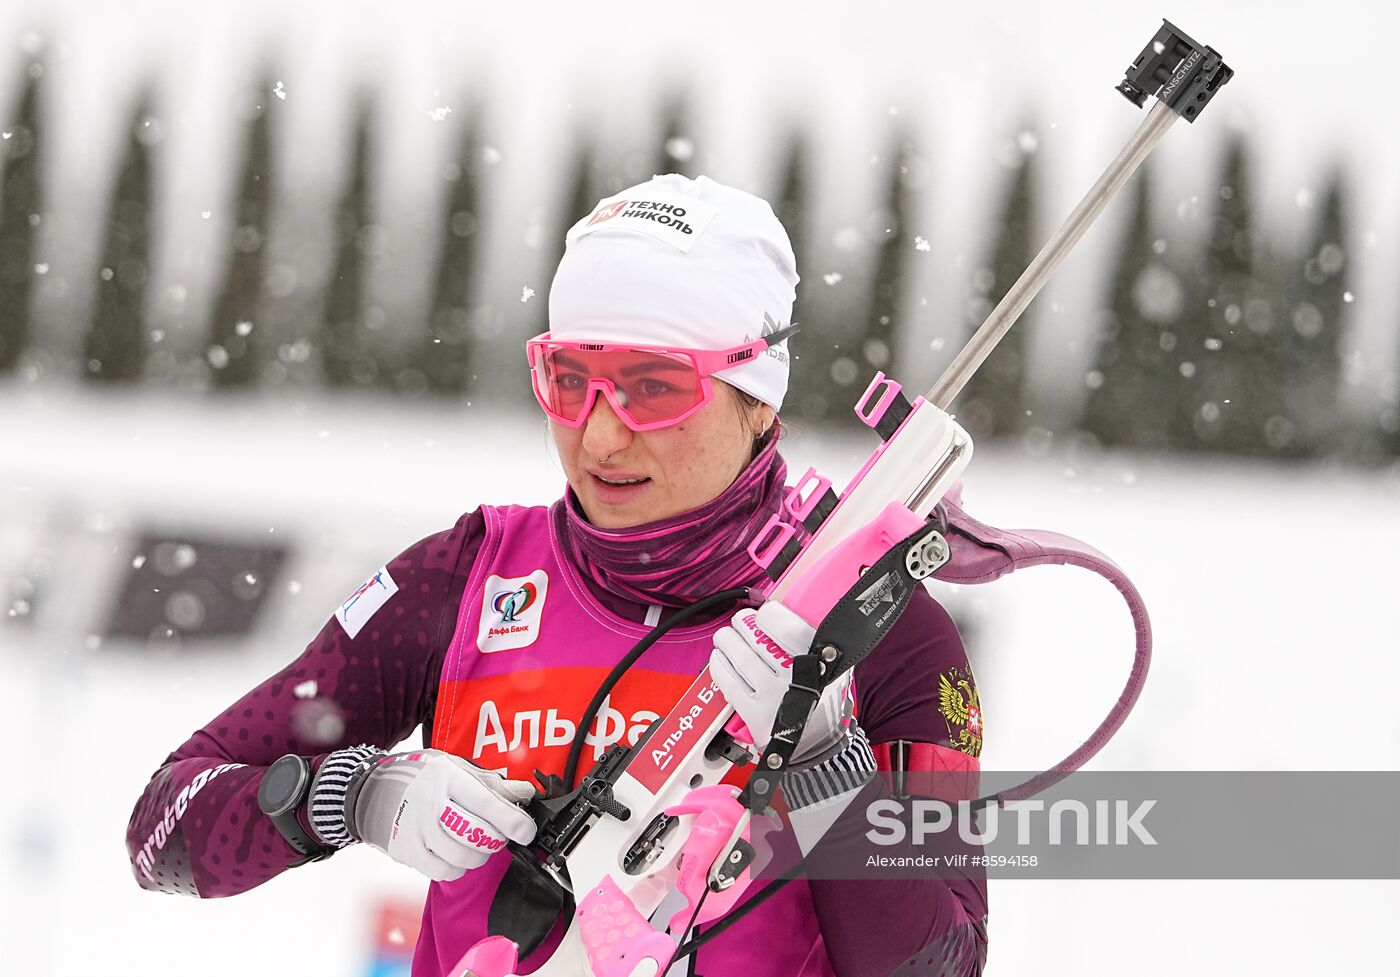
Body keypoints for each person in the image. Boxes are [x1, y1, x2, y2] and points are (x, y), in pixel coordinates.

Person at [126, 174, 988, 976]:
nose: (601, 437)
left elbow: (944, 963)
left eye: (652, 389)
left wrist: (825, 765)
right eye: (571, 379)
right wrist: (351, 796)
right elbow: (162, 825)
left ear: (757, 395)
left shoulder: (881, 628)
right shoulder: (461, 583)